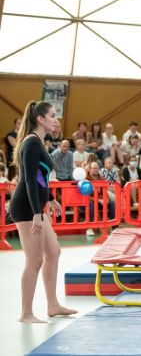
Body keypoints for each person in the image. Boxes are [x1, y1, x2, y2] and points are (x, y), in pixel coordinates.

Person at [9, 101, 77, 323]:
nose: (56, 120)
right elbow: (28, 179)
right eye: (52, 116)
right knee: (35, 259)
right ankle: (26, 313)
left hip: (37, 205)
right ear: (40, 119)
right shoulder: (31, 142)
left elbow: (41, 177)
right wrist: (37, 212)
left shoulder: (39, 143)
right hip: (27, 207)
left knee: (54, 252)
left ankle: (53, 305)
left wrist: (50, 199)